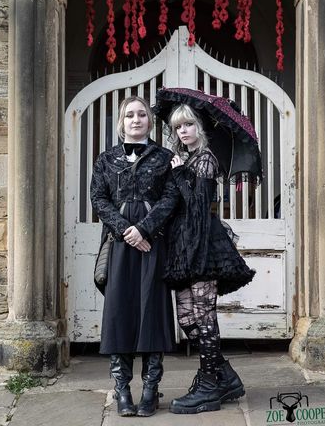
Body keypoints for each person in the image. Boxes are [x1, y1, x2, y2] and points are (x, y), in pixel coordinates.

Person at [90, 96, 179, 418]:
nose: (136, 119)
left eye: (142, 114)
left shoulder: (165, 157)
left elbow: (171, 199)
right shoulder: (106, 159)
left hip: (152, 243)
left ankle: (151, 391)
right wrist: (126, 230)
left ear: (149, 122)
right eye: (130, 115)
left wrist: (144, 229)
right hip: (118, 244)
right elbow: (98, 198)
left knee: (151, 311)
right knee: (120, 312)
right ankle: (123, 390)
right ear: (121, 121)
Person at [165, 103, 255, 415]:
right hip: (185, 246)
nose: (183, 131)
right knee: (187, 318)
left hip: (203, 245)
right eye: (178, 127)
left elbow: (197, 206)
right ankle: (224, 376)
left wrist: (177, 173)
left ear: (199, 128)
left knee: (204, 316)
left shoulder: (205, 160)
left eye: (188, 125)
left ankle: (208, 385)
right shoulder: (187, 159)